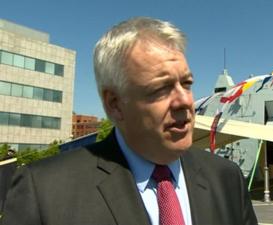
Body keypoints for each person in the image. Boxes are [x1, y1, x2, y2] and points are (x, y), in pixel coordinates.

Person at [0, 17, 258, 225]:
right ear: (115, 104)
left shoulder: (226, 178)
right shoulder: (45, 190)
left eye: (186, 84)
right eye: (161, 89)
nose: (184, 102)